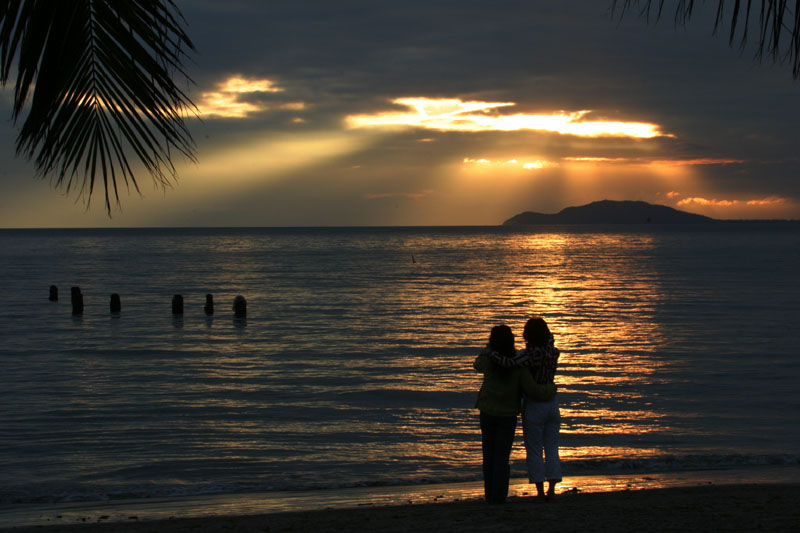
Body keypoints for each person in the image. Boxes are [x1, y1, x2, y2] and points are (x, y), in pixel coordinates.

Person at [473, 324, 555, 504]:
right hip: (507, 415)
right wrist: (551, 388)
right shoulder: (519, 364)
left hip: (487, 411)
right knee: (501, 457)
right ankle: (499, 496)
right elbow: (532, 389)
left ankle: (490, 496)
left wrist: (488, 350)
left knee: (489, 455)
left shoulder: (489, 359)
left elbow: (476, 364)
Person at [491, 317, 562, 500]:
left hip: (534, 404)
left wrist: (490, 353)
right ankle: (552, 489)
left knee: (535, 449)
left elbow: (508, 363)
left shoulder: (530, 354)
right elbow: (550, 338)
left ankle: (539, 490)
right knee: (552, 447)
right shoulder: (553, 351)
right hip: (552, 402)